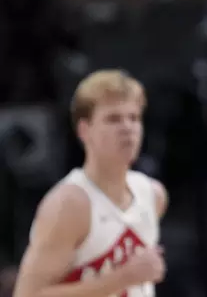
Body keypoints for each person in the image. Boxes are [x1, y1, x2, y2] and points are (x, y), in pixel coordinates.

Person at [13, 69, 168, 297]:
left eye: (134, 118)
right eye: (113, 119)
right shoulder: (69, 204)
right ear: (85, 130)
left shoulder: (154, 195)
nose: (127, 128)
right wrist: (122, 278)